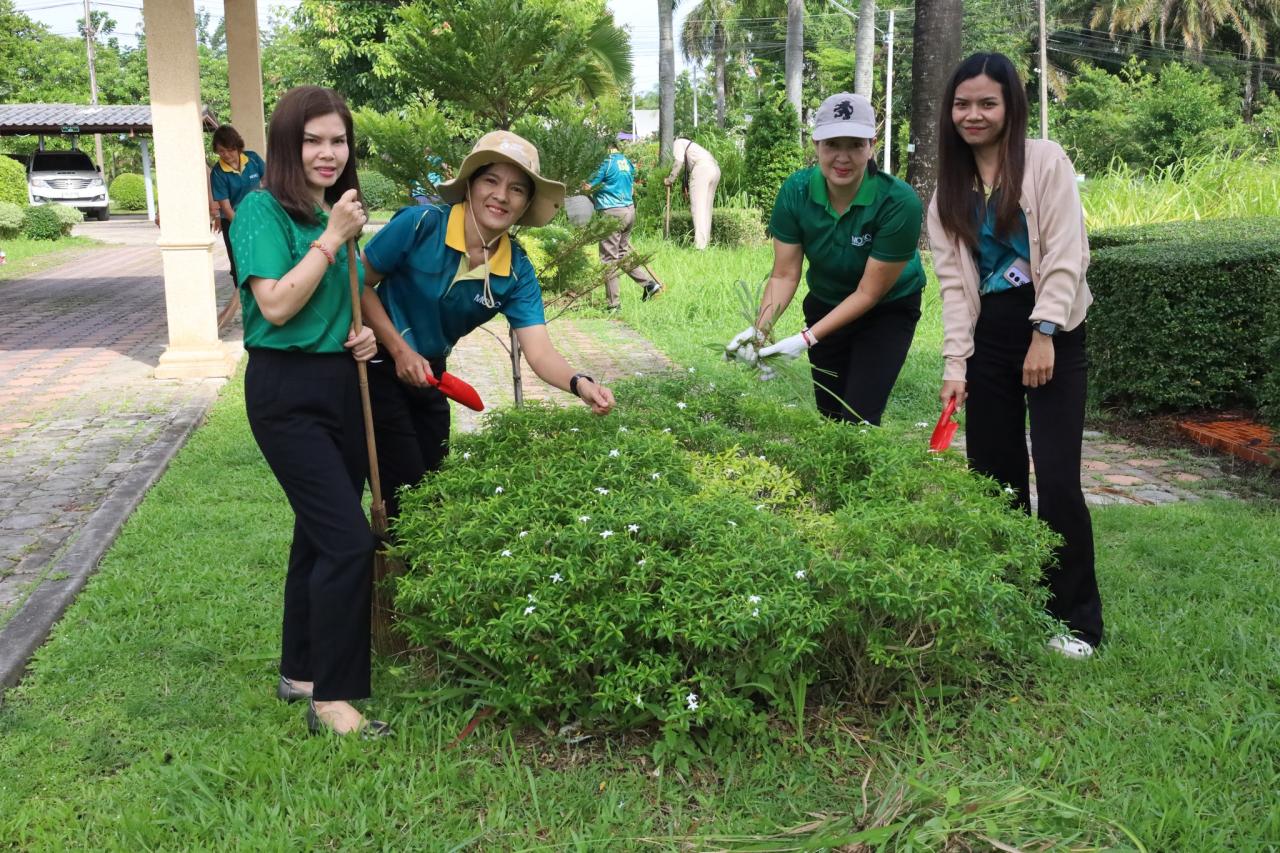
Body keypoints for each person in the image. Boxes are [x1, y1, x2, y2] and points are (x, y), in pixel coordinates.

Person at [926, 53, 1103, 659]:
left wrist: (1045, 332)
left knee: (1056, 481)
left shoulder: (1045, 161)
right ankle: (1008, 599)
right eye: (962, 104)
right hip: (990, 339)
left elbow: (1067, 253)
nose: (973, 115)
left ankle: (1075, 620)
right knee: (993, 479)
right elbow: (955, 288)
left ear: (1010, 107)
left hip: (1053, 329)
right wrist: (956, 366)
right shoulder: (947, 192)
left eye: (987, 103)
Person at [229, 86, 390, 736]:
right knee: (349, 540)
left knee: (316, 535)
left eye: (338, 140)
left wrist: (363, 335)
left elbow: (337, 302)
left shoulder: (337, 210)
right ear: (287, 146)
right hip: (284, 393)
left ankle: (300, 669)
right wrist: (332, 236)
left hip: (338, 381)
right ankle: (333, 699)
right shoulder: (259, 212)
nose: (328, 152)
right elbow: (275, 306)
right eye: (313, 140)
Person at [359, 131, 617, 522]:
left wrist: (581, 384)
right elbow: (357, 282)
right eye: (490, 181)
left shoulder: (516, 269)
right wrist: (398, 350)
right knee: (404, 494)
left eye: (516, 189)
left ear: (526, 203)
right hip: (375, 361)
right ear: (470, 186)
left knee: (432, 487)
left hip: (430, 375)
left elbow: (540, 351)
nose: (501, 195)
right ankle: (384, 575)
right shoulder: (421, 225)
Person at [726, 93, 926, 427]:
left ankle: (861, 474)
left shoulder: (898, 201)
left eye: (855, 145)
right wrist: (758, 330)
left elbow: (869, 292)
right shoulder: (797, 190)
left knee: (859, 416)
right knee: (831, 415)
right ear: (816, 144)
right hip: (827, 301)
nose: (842, 157)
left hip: (887, 308)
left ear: (872, 146)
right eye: (832, 144)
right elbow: (785, 275)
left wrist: (805, 339)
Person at [583, 139, 663, 309]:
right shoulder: (625, 161)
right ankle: (649, 285)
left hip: (612, 212)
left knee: (608, 259)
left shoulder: (606, 162)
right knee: (621, 254)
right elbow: (631, 188)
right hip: (629, 210)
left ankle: (613, 304)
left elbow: (587, 186)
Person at [209, 124, 265, 286]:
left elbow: (269, 183)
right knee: (239, 263)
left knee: (262, 257)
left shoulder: (253, 159)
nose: (226, 155)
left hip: (258, 217)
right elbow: (226, 207)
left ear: (238, 147)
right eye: (221, 151)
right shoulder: (218, 173)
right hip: (233, 222)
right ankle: (242, 298)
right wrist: (243, 226)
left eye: (230, 150)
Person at [664, 137, 720, 250]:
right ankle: (705, 243)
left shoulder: (678, 142)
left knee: (698, 209)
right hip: (715, 169)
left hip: (702, 169)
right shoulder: (695, 147)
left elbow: (678, 162)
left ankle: (700, 246)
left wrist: (670, 179)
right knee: (706, 209)